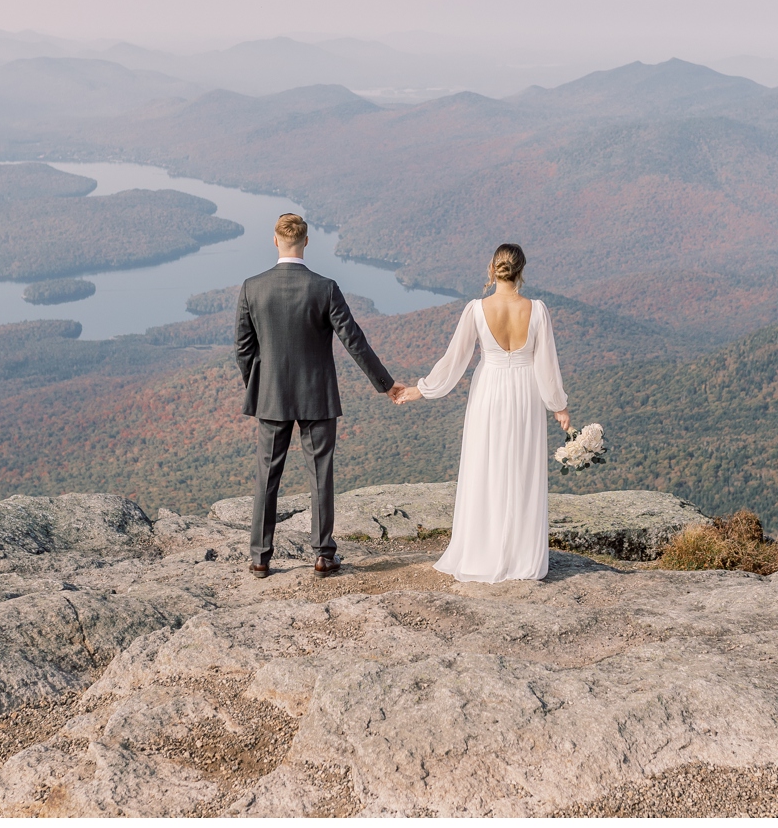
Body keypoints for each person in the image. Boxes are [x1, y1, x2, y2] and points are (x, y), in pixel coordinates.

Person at [236, 213, 403, 578]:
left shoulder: (252, 287)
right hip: (317, 396)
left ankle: (260, 558)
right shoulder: (324, 287)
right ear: (306, 242)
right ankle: (324, 556)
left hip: (271, 396)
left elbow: (243, 350)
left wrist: (259, 386)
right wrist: (386, 384)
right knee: (320, 474)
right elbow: (354, 341)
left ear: (275, 241)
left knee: (267, 476)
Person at [394, 243, 569, 582]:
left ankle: (482, 550)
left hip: (489, 391)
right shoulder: (537, 310)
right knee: (521, 468)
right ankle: (520, 556)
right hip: (526, 392)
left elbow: (454, 361)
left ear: (493, 269)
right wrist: (558, 406)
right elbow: (547, 365)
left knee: (485, 466)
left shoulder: (476, 309)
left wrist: (420, 390)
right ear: (521, 270)